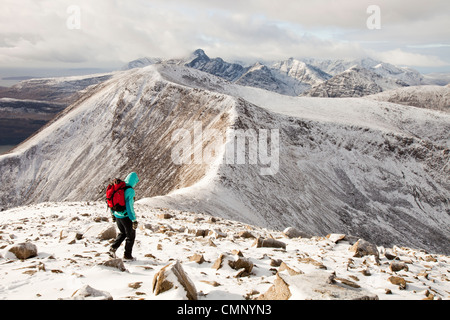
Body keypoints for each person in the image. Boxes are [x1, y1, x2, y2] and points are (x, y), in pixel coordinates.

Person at [109, 172, 139, 260]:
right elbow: (129, 207)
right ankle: (127, 255)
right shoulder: (130, 191)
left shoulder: (118, 187)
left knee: (122, 233)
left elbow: (110, 202)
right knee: (131, 236)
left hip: (117, 215)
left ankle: (112, 248)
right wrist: (133, 219)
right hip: (126, 217)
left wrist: (113, 214)